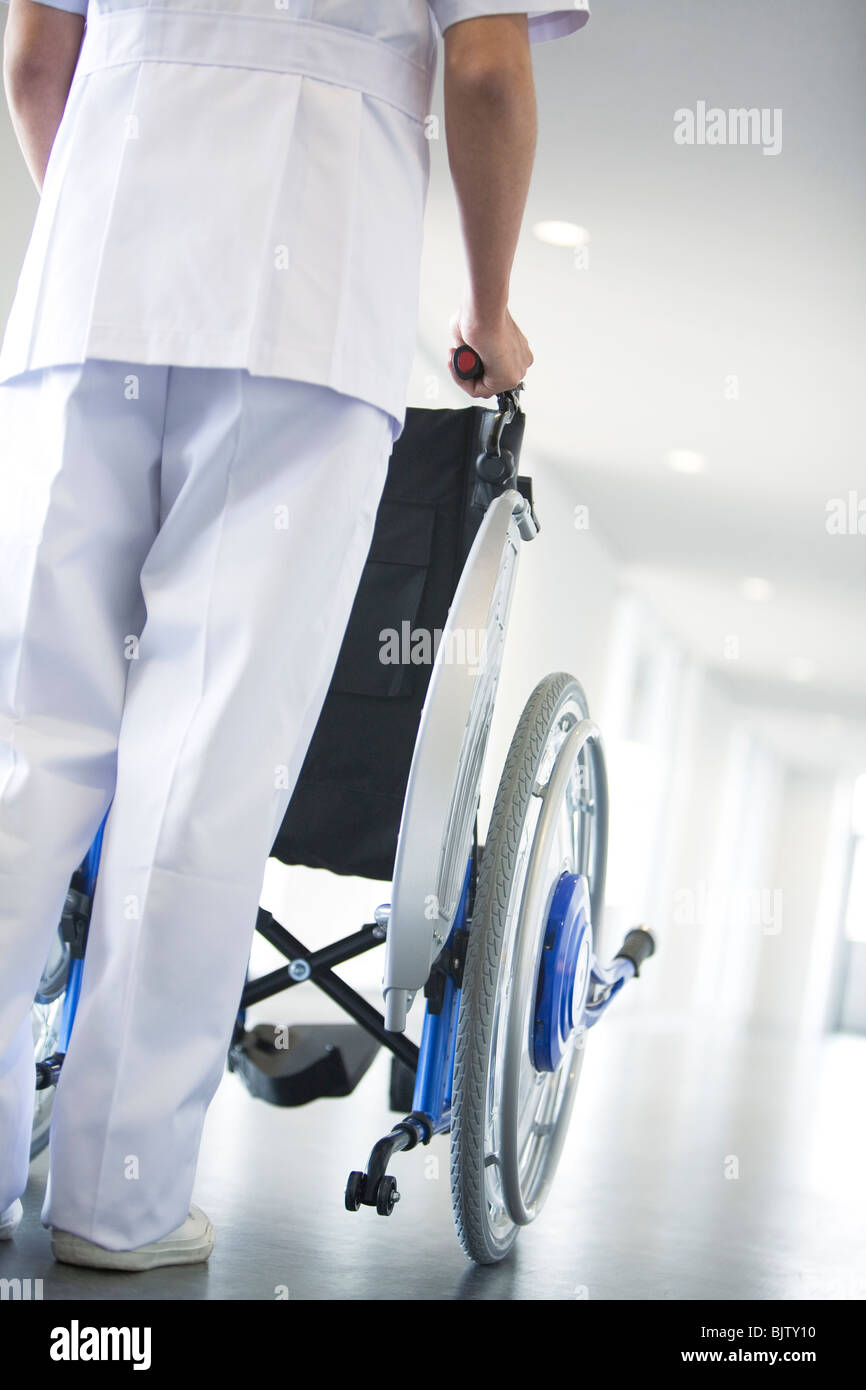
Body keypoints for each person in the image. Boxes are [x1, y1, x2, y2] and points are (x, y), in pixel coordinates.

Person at [0, 0, 589, 1271]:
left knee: (20, 751)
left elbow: (36, 60)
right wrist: (491, 310)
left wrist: (124, 220)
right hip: (305, 307)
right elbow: (484, 74)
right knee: (205, 763)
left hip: (88, 281)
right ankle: (120, 1202)